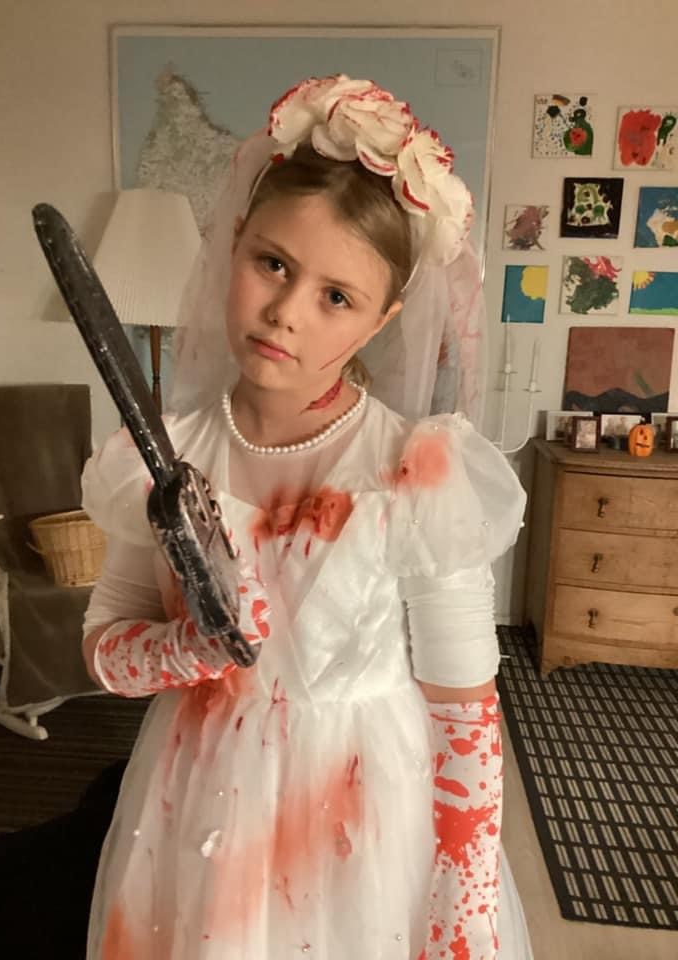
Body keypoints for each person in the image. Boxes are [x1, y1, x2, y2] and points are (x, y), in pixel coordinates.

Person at [81, 75, 532, 959]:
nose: (286, 312)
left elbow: (464, 706)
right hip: (196, 792)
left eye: (337, 297)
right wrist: (185, 649)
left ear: (380, 319)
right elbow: (104, 643)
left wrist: (465, 897)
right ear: (234, 246)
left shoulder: (418, 470)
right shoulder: (162, 457)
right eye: (274, 264)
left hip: (359, 809)